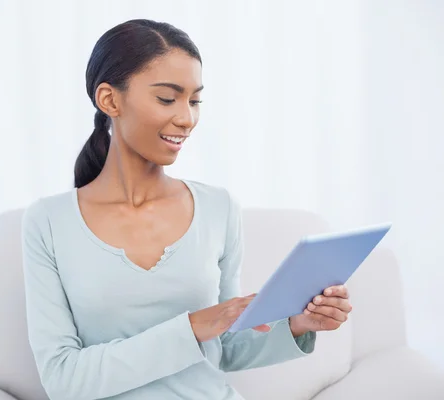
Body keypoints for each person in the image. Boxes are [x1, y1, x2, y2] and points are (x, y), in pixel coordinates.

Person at [21, 19, 352, 400]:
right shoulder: (49, 222)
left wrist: (297, 323)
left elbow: (224, 348)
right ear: (110, 100)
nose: (187, 118)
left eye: (194, 101)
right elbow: (64, 380)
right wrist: (193, 326)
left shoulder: (218, 208)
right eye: (167, 99)